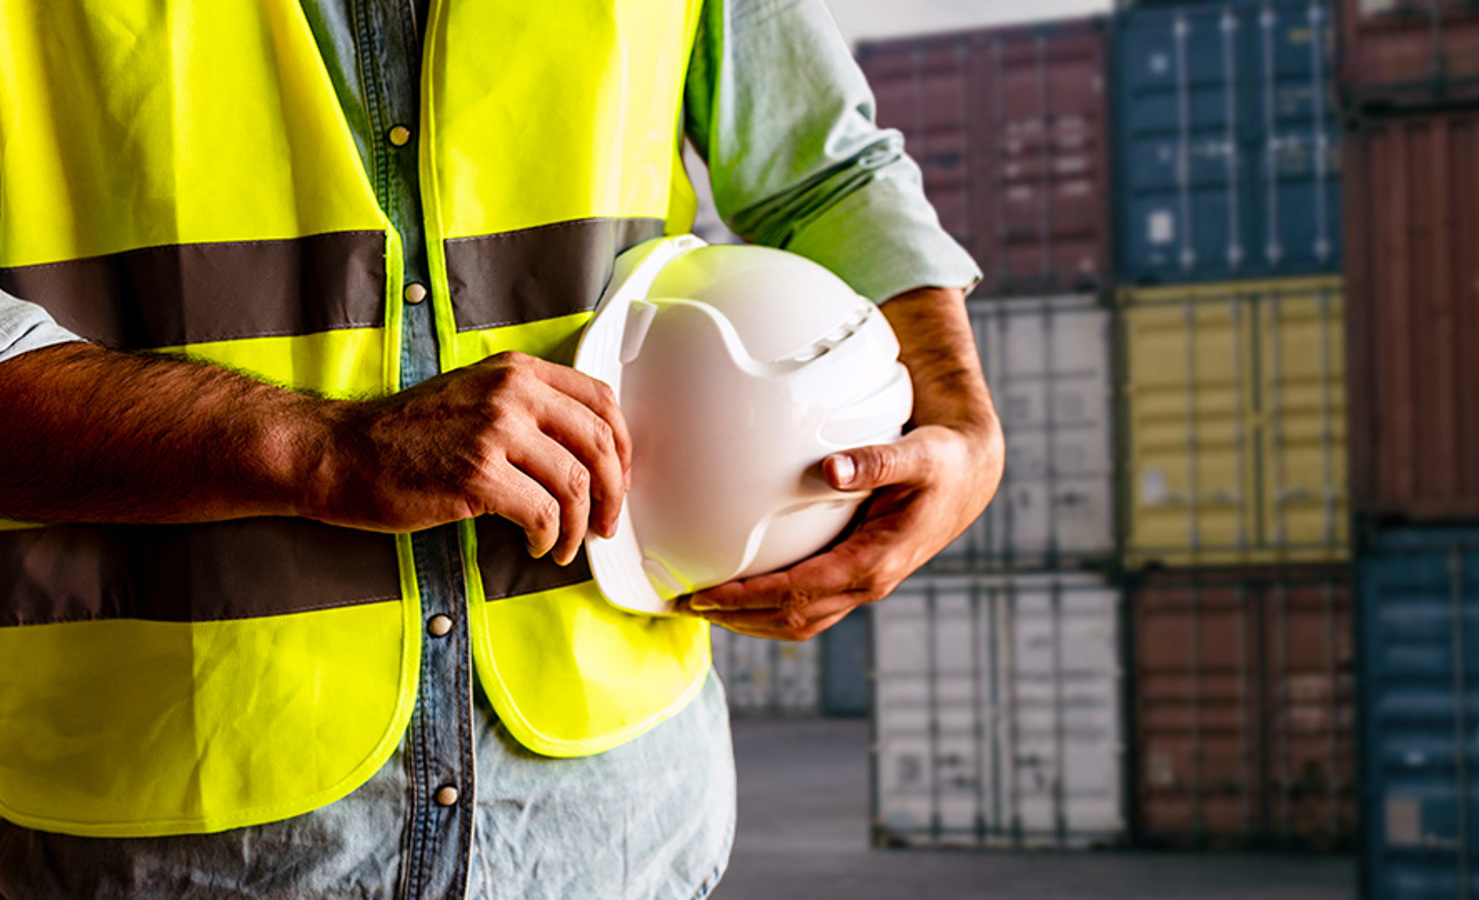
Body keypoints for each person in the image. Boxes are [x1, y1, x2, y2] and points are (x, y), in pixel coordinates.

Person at [0, 1, 1002, 898]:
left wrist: (960, 420)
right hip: (169, 825)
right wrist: (318, 451)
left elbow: (825, 174)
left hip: (614, 815)